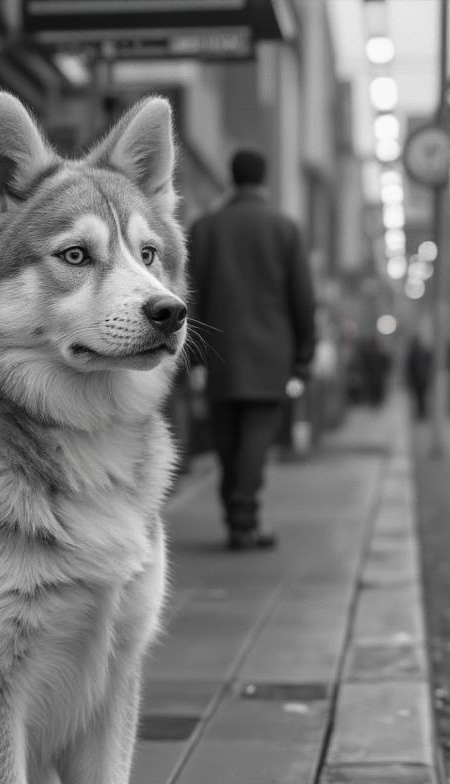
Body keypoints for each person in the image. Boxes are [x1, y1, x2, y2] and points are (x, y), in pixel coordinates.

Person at [187, 148, 315, 551]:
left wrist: (192, 357)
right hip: (270, 357)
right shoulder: (285, 229)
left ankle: (236, 516)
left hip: (219, 354)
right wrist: (304, 354)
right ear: (265, 179)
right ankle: (244, 519)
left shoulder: (205, 228)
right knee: (256, 440)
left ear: (231, 176)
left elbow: (190, 294)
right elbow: (302, 298)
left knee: (227, 441)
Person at [405, 336, 432, 420]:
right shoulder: (424, 352)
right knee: (421, 396)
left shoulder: (412, 353)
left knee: (418, 396)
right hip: (422, 379)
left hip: (417, 379)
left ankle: (420, 412)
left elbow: (409, 368)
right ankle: (422, 412)